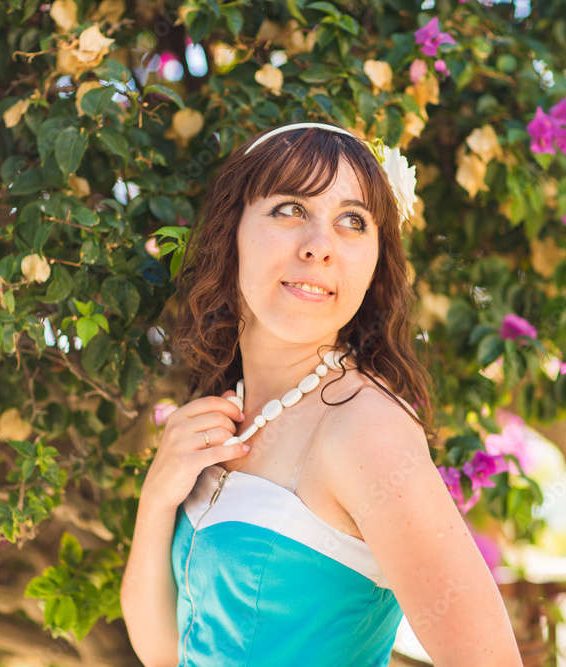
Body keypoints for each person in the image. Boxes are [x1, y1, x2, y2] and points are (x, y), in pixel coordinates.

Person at [120, 121, 523, 667]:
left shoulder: (367, 429)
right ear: (230, 233)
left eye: (352, 221)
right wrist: (156, 499)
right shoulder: (226, 413)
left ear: (375, 263)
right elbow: (163, 652)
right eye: (290, 209)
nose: (319, 247)